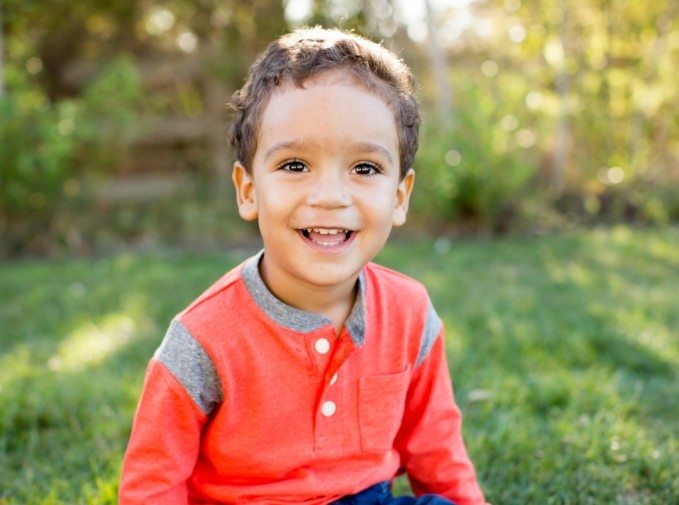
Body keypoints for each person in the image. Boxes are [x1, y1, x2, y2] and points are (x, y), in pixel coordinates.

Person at [119, 27, 488, 505]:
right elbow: (153, 482)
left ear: (400, 196)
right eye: (295, 165)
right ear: (248, 189)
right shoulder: (202, 339)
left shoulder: (410, 313)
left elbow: (436, 446)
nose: (330, 197)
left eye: (365, 168)